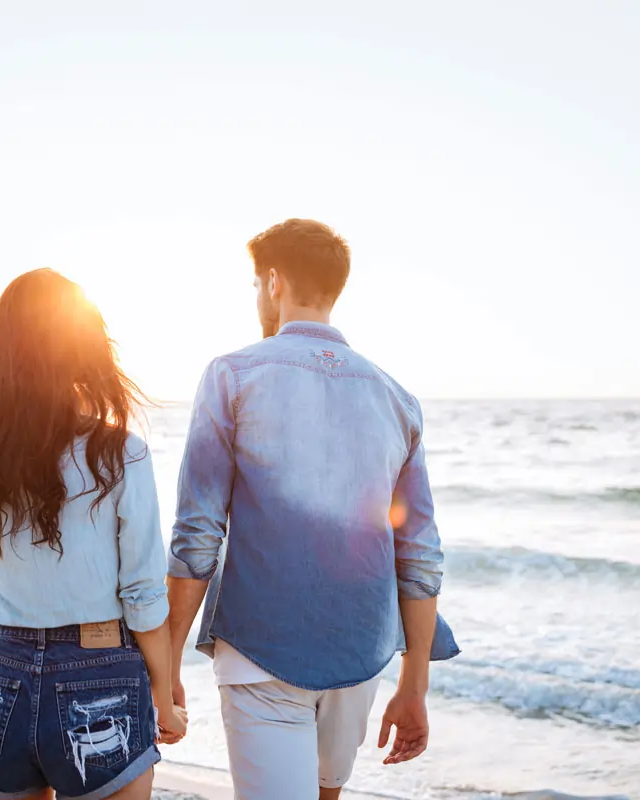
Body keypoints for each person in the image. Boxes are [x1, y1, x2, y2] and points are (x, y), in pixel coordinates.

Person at [166, 219, 459, 799]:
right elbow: (419, 554)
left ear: (273, 281)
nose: (257, 297)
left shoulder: (233, 375)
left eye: (255, 284)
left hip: (260, 648)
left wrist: (166, 662)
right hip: (360, 650)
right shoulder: (396, 397)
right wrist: (414, 685)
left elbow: (198, 533)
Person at [0, 269, 186, 800]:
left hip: (0, 673)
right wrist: (165, 693)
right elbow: (143, 594)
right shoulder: (121, 453)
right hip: (99, 673)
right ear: (82, 349)